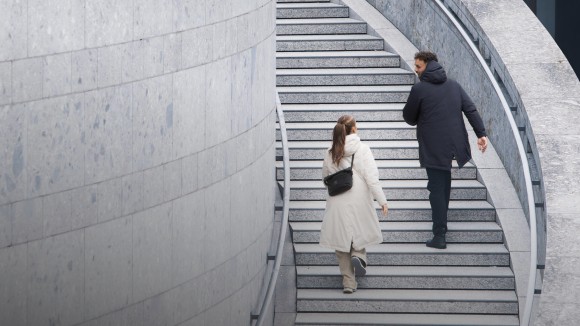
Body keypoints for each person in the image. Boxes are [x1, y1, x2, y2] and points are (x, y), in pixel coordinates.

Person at [403, 51, 488, 249]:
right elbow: (471, 109)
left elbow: (408, 117)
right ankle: (441, 226)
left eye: (418, 66)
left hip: (433, 146)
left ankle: (439, 234)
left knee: (436, 188)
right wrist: (481, 134)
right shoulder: (454, 86)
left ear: (428, 65)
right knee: (443, 184)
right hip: (452, 145)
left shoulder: (419, 89)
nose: (415, 70)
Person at [319, 115, 389, 294]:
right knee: (358, 229)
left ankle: (348, 283)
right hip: (358, 195)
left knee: (341, 240)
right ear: (354, 129)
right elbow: (372, 178)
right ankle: (359, 256)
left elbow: (325, 176)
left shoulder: (331, 151)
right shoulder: (362, 149)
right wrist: (382, 200)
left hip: (337, 198)